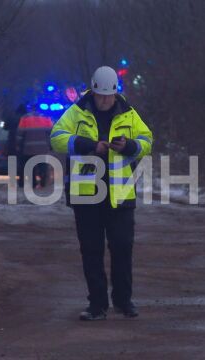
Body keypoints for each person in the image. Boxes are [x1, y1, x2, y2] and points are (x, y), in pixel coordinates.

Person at [50, 66, 153, 321]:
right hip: (87, 196)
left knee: (122, 247)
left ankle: (123, 301)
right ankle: (97, 305)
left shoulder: (128, 112)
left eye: (109, 96)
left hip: (120, 195)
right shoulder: (77, 111)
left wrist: (129, 145)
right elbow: (56, 138)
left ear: (115, 92)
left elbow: (147, 141)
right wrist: (88, 146)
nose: (106, 101)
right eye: (101, 96)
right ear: (93, 91)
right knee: (92, 251)